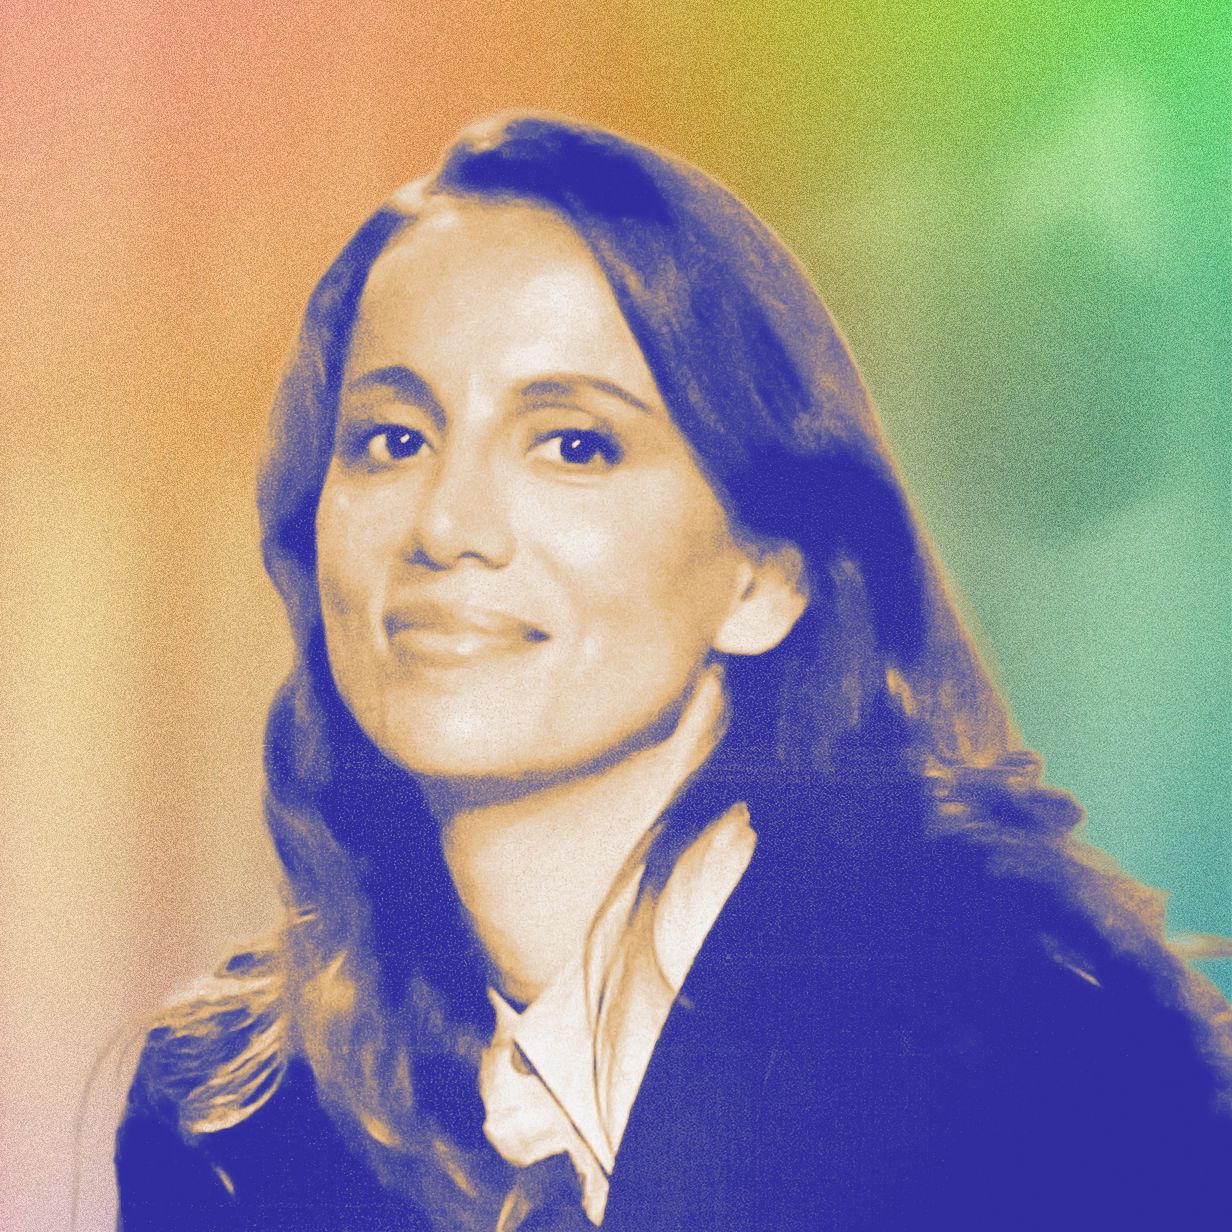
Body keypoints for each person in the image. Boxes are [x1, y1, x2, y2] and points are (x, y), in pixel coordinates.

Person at [113, 114, 1232, 1231]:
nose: (446, 524)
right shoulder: (233, 1117)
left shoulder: (1029, 1056)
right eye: (393, 439)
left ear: (765, 577)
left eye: (574, 444)